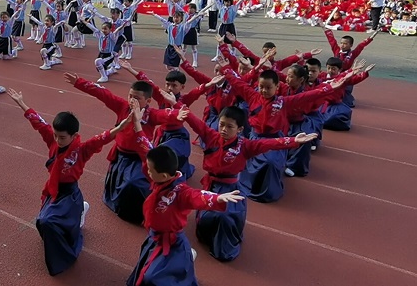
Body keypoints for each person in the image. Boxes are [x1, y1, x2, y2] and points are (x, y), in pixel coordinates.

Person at [7, 88, 136, 276]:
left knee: (46, 222)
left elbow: (103, 138)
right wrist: (21, 102)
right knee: (44, 224)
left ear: (74, 136)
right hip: (54, 191)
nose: (58, 140)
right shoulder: (53, 141)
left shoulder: (82, 150)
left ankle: (65, 254)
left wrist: (120, 128)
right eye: (56, 136)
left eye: (62, 137)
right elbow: (38, 121)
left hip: (69, 194)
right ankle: (79, 214)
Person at [183, 107, 314, 262]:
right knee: (208, 214)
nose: (224, 129)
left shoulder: (244, 145)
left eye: (230, 126)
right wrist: (177, 105)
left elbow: (269, 144)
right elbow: (195, 122)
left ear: (240, 129)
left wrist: (293, 141)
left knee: (225, 217)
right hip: (211, 186)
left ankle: (223, 247)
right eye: (222, 124)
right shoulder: (211, 136)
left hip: (230, 189)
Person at [218, 59, 353, 203]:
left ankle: (268, 192)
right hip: (255, 139)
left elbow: (309, 96)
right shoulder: (252, 96)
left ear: (277, 87)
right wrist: (226, 68)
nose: (264, 90)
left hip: (275, 141)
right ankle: (249, 185)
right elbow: (237, 82)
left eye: (268, 87)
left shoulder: (283, 102)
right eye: (261, 86)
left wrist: (330, 88)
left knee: (270, 163)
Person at [64, 72, 186, 225]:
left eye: (137, 98)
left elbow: (168, 115)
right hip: (120, 156)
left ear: (148, 100)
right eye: (130, 96)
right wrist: (79, 82)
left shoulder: (152, 115)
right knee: (119, 183)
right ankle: (118, 203)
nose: (132, 100)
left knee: (133, 184)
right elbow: (103, 94)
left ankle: (140, 213)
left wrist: (178, 111)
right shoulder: (122, 107)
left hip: (139, 159)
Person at [125, 146, 243, 286]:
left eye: (150, 170)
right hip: (155, 238)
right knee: (148, 269)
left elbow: (197, 196)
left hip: (172, 243)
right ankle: (185, 258)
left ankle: (186, 257)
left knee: (153, 277)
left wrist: (217, 198)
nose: (147, 171)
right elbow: (146, 151)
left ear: (163, 175)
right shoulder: (158, 181)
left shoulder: (181, 192)